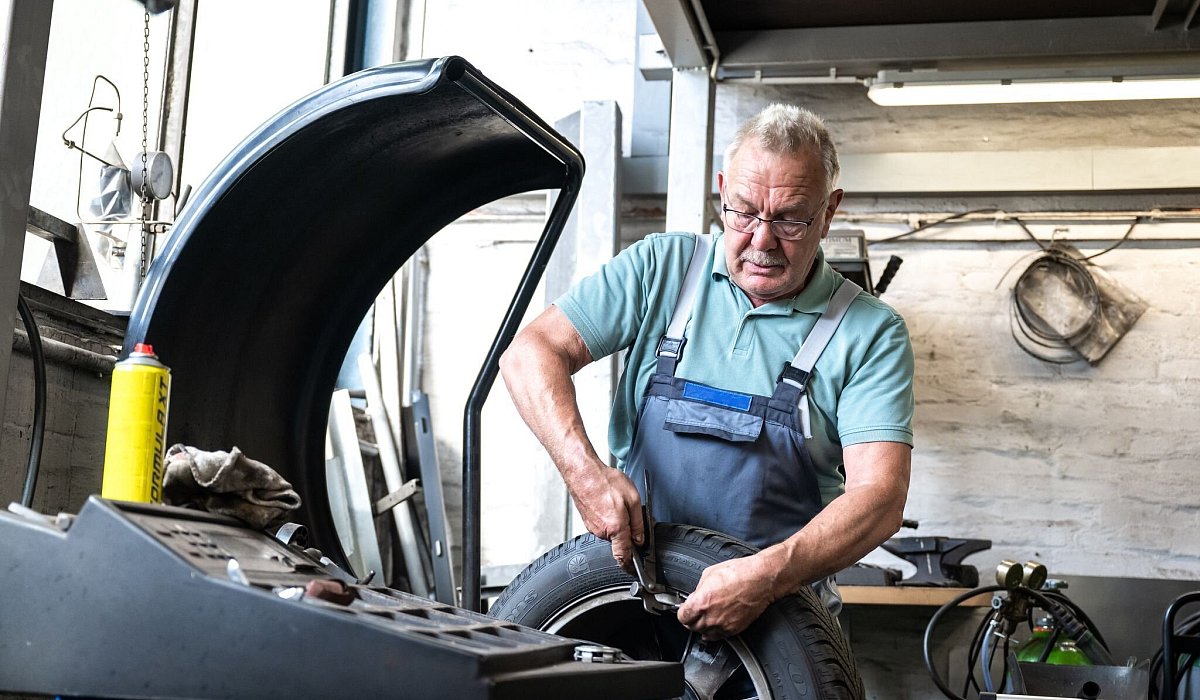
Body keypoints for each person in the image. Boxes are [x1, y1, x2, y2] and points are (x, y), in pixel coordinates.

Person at [499, 103, 914, 642]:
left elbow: (879, 498)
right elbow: (530, 352)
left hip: (776, 623)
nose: (762, 240)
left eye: (789, 218)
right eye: (743, 211)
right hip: (634, 601)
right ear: (721, 191)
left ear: (829, 211)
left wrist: (766, 577)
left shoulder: (869, 332)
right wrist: (585, 473)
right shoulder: (663, 269)